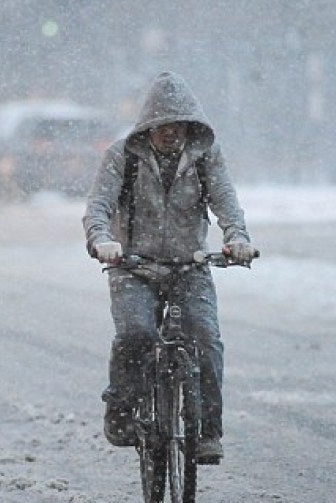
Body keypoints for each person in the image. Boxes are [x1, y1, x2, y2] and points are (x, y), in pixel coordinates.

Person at [82, 71, 256, 462]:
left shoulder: (204, 157)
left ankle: (208, 431)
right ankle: (122, 409)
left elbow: (226, 200)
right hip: (132, 266)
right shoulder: (122, 157)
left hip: (188, 266)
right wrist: (102, 241)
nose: (170, 133)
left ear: (190, 126)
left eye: (178, 125)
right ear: (148, 126)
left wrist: (237, 238)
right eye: (162, 126)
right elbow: (98, 208)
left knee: (206, 339)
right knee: (136, 334)